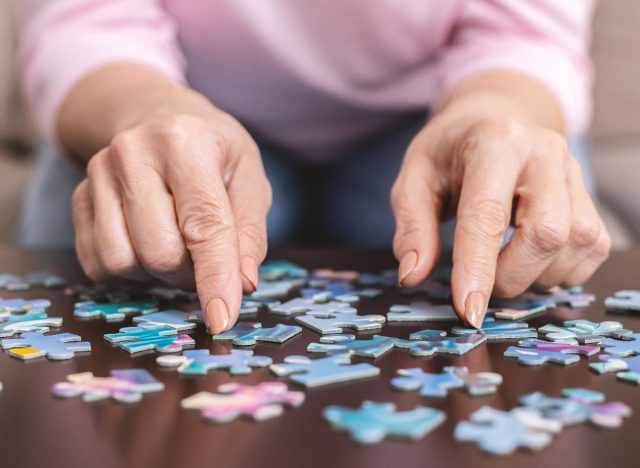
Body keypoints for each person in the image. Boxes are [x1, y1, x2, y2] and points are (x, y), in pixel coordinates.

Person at [16, 1, 610, 334]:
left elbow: (522, 33)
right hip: (168, 104)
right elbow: (87, 22)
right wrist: (146, 112)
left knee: (521, 257)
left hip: (435, 122)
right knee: (104, 265)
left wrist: (495, 113)